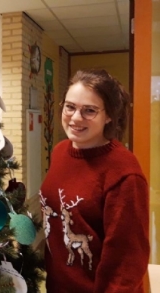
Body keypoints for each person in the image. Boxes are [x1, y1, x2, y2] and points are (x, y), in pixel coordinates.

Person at [39, 69, 149, 293]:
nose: (76, 117)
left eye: (89, 110)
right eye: (70, 106)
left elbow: (127, 263)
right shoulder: (61, 152)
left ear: (109, 115)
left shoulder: (124, 173)